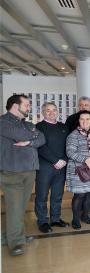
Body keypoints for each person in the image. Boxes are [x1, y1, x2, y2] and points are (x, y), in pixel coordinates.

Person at [0, 94, 45, 256]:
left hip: (29, 171)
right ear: (15, 106)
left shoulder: (26, 123)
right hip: (12, 173)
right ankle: (16, 243)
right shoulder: (3, 122)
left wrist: (30, 141)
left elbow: (42, 138)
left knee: (20, 208)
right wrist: (31, 137)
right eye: (26, 105)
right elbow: (23, 135)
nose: (28, 108)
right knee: (14, 208)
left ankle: (11, 236)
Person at [35, 102, 69, 233]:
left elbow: (69, 145)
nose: (51, 112)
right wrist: (55, 160)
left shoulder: (64, 127)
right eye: (48, 110)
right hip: (44, 167)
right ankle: (42, 221)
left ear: (57, 111)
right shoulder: (38, 127)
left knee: (57, 195)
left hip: (61, 167)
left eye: (54, 110)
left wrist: (64, 160)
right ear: (43, 112)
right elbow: (40, 146)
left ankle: (55, 219)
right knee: (42, 195)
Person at [66, 110, 90, 229]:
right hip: (78, 170)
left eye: (87, 119)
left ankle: (85, 215)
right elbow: (70, 152)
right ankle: (75, 219)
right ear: (79, 121)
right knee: (80, 195)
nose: (85, 121)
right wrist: (86, 160)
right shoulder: (73, 135)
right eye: (82, 119)